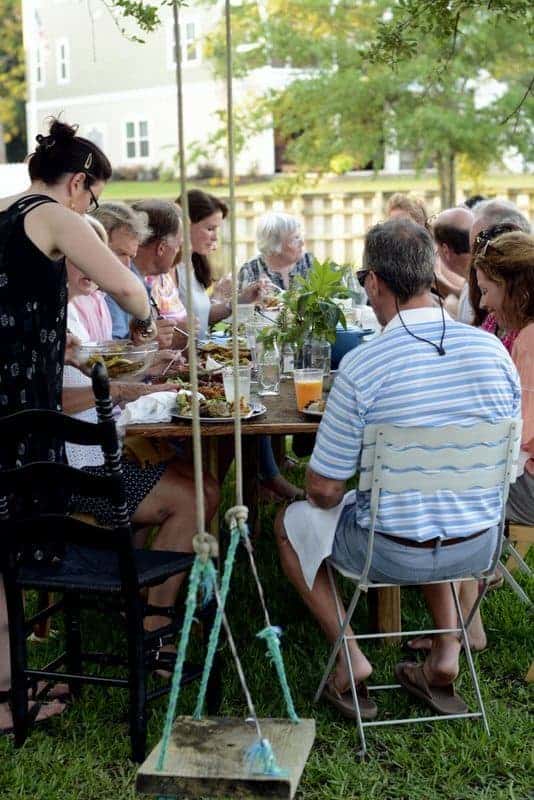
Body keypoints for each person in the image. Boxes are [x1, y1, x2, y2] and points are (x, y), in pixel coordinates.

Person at [274, 218, 520, 720]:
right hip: (478, 544)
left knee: (287, 524)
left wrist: (309, 488)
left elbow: (322, 489)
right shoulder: (494, 351)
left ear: (373, 283)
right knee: (433, 501)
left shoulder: (365, 367)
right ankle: (447, 654)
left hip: (386, 551)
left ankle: (350, 659)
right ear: (430, 274)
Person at [0, 118, 154, 733]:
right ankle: (10, 696)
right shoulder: (56, 215)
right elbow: (125, 287)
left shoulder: (6, 211)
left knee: (3, 541)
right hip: (21, 402)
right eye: (93, 196)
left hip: (7, 387)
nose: (92, 208)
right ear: (80, 183)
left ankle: (11, 683)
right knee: (15, 532)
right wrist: (143, 314)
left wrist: (49, 338)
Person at [62, 229, 219, 648]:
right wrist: (124, 389)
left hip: (100, 453)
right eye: (89, 258)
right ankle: (155, 632)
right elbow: (54, 398)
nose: (101, 270)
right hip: (72, 473)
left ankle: (148, 601)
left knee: (206, 485)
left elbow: (102, 368)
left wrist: (140, 377)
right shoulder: (51, 323)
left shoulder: (74, 309)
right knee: (194, 499)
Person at [474, 231, 534, 526]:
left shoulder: (529, 340)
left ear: (516, 290)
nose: (483, 304)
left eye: (486, 291)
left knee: (446, 481)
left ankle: (473, 566)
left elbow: (522, 435)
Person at [176, 189, 263, 340]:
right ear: (185, 225)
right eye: (210, 229)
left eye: (217, 229)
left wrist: (240, 300)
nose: (215, 237)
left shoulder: (193, 264)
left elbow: (202, 317)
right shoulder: (170, 271)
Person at [457, 198, 532, 325]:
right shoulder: (492, 320)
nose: (474, 259)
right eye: (473, 250)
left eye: (482, 247)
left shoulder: (526, 333)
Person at [238, 211, 313, 293]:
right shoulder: (250, 270)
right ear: (274, 246)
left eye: (299, 236)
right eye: (295, 238)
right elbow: (243, 304)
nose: (302, 243)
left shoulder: (308, 261)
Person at [431, 207, 474, 317]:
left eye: (437, 248)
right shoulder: (476, 273)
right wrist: (438, 281)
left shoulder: (481, 280)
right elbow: (468, 294)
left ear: (446, 251)